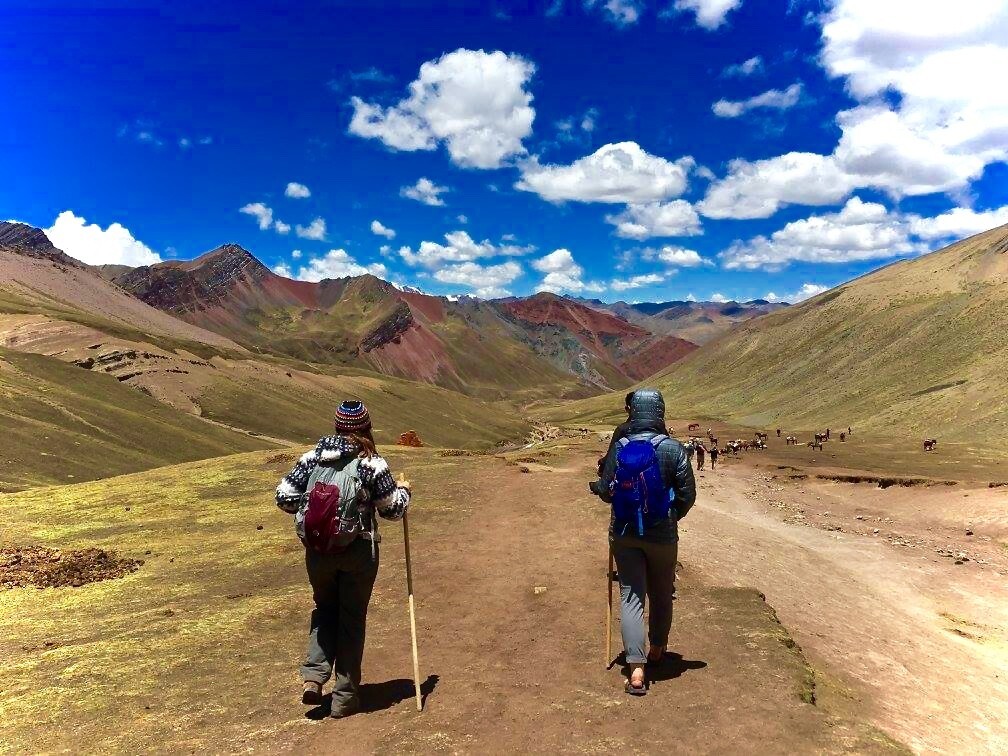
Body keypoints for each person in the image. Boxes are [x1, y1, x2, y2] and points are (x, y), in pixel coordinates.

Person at [275, 400, 412, 718]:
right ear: (366, 428)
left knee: (325, 609)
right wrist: (405, 491)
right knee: (351, 617)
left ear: (337, 427)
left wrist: (319, 517)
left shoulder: (312, 458)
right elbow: (392, 509)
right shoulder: (371, 463)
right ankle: (345, 698)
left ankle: (313, 676)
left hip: (318, 553)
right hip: (358, 553)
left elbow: (284, 498)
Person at [589, 389, 696, 696]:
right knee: (662, 593)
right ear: (660, 412)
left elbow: (608, 490)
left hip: (624, 534)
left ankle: (636, 669)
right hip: (663, 536)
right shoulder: (674, 449)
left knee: (631, 595)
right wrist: (671, 516)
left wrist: (598, 488)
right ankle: (658, 650)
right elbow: (688, 494)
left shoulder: (621, 446)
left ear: (633, 411)